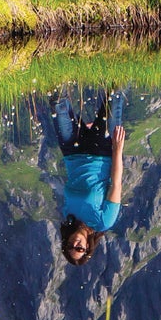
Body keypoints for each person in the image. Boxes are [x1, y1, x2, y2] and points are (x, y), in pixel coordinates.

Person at [41, 88, 126, 264]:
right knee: (115, 94)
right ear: (88, 247)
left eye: (70, 246)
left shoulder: (68, 215)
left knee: (57, 102)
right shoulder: (103, 222)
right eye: (79, 249)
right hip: (102, 150)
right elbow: (116, 184)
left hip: (72, 151)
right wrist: (117, 149)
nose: (75, 244)